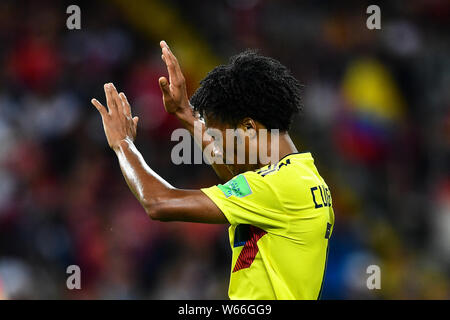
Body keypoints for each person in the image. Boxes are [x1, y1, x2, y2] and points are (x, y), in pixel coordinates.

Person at [91, 41, 335, 299]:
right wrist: (185, 113)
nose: (220, 152)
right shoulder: (298, 175)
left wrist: (123, 144)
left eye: (220, 140)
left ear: (249, 128)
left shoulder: (278, 186)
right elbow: (233, 172)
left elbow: (158, 202)